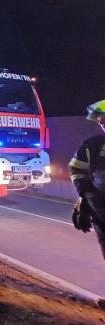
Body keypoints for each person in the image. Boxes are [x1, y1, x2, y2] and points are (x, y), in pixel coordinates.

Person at [69, 100, 105, 260]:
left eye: (103, 119)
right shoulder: (92, 146)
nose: (101, 123)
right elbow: (77, 170)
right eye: (100, 120)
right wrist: (84, 200)